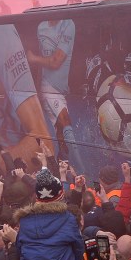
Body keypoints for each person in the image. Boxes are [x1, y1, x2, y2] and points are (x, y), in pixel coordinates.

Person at [27, 18, 85, 171]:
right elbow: (48, 62)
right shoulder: (41, 27)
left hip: (60, 88)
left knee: (60, 128)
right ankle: (82, 168)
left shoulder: (67, 24)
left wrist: (34, 59)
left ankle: (62, 160)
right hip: (48, 87)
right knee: (66, 121)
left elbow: (55, 62)